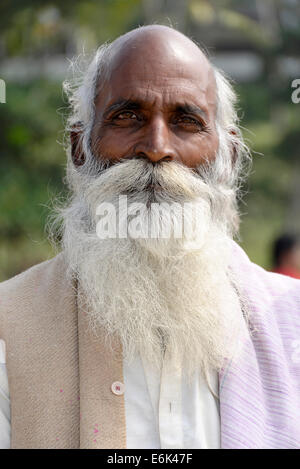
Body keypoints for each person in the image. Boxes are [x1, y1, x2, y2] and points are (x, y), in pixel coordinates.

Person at [0, 25, 299, 449]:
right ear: (79, 148)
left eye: (186, 121)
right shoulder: (7, 327)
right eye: (127, 116)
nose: (157, 147)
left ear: (228, 158)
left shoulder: (293, 325)